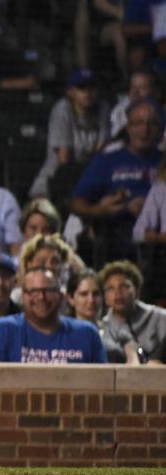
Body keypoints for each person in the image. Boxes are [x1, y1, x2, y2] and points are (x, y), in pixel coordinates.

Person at [71, 98, 162, 261]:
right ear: (128, 128)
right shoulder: (107, 161)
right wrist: (101, 211)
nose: (145, 130)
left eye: (152, 124)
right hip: (117, 236)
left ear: (160, 131)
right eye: (138, 123)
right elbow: (76, 203)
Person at [0, 268, 107, 363]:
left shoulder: (87, 333)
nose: (42, 297)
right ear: (23, 297)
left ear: (61, 296)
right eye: (34, 291)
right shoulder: (1, 331)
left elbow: (103, 388)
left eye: (49, 291)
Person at [31, 69, 111, 199]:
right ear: (70, 91)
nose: (87, 93)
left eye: (92, 87)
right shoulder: (62, 110)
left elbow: (101, 151)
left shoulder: (103, 108)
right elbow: (64, 160)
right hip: (55, 180)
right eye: (81, 88)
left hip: (88, 179)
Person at [99, 260, 166, 364]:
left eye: (124, 286)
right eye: (110, 288)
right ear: (105, 297)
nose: (118, 293)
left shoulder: (159, 317)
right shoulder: (102, 327)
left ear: (137, 289)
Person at [67, 269, 138, 364]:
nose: (91, 300)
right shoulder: (62, 331)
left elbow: (134, 362)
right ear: (71, 298)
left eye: (96, 294)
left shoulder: (116, 329)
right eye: (84, 294)